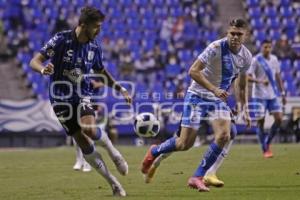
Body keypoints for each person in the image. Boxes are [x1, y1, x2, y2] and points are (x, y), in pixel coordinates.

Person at [29, 6, 132, 197]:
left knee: (90, 130)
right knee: (82, 142)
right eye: (96, 27)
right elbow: (34, 60)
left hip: (82, 93)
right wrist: (43, 70)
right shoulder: (61, 39)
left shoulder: (94, 47)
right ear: (83, 25)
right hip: (60, 97)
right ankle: (114, 183)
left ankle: (114, 153)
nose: (99, 31)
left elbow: (101, 73)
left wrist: (120, 88)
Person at [141, 19, 252, 192]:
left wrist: (244, 108)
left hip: (216, 100)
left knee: (224, 135)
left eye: (239, 34)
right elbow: (193, 71)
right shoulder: (215, 48)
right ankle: (155, 151)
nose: (235, 37)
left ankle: (198, 176)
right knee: (184, 144)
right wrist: (214, 89)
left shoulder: (246, 57)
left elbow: (241, 84)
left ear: (246, 35)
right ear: (227, 33)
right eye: (232, 33)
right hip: (197, 96)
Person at [247, 39, 286, 158]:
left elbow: (278, 76)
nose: (267, 49)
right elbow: (248, 77)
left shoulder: (274, 59)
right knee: (260, 122)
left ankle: (267, 142)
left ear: (271, 47)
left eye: (269, 47)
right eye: (265, 47)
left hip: (272, 94)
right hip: (259, 95)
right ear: (261, 47)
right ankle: (265, 149)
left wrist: (282, 92)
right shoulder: (255, 60)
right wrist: (259, 81)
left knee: (279, 119)